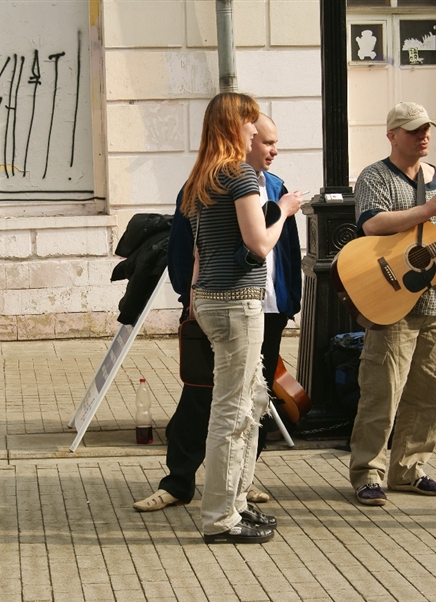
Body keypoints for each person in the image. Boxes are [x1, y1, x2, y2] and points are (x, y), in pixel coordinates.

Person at [132, 113, 302, 513]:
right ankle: (179, 482)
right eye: (264, 141)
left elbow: (285, 252)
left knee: (255, 400)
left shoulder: (276, 187)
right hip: (221, 304)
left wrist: (288, 299)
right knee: (203, 396)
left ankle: (239, 481)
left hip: (267, 307)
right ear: (244, 139)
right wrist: (188, 298)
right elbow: (185, 245)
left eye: (275, 142)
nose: (273, 149)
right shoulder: (210, 183)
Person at [175, 93, 301, 544]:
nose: (255, 131)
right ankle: (220, 518)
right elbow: (258, 245)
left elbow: (196, 252)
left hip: (211, 300)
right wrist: (284, 211)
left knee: (254, 401)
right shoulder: (239, 174)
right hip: (236, 302)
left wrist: (193, 299)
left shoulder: (199, 178)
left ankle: (237, 503)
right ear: (236, 126)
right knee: (233, 411)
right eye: (250, 124)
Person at [348, 102, 436, 506]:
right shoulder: (375, 177)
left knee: (431, 390)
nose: (424, 136)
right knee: (382, 391)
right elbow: (371, 224)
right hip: (392, 302)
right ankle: (368, 473)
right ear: (392, 135)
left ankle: (409, 468)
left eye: (427, 128)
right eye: (414, 130)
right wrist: (427, 209)